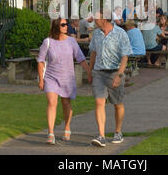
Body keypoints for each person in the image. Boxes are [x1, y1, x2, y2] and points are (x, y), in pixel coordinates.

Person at [37, 17, 91, 145]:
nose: (66, 26)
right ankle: (50, 133)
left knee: (66, 104)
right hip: (51, 77)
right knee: (51, 102)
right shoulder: (47, 42)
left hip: (67, 78)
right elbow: (40, 60)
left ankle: (67, 127)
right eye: (63, 24)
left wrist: (89, 71)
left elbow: (80, 58)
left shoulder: (71, 41)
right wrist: (41, 79)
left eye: (66, 24)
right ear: (57, 27)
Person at [88, 9, 133, 147]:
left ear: (105, 19)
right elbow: (93, 53)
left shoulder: (120, 33)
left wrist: (119, 75)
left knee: (117, 103)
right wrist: (90, 71)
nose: (94, 20)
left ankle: (118, 131)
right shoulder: (96, 34)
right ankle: (101, 135)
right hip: (99, 73)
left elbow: (125, 56)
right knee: (99, 102)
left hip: (115, 72)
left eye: (97, 18)